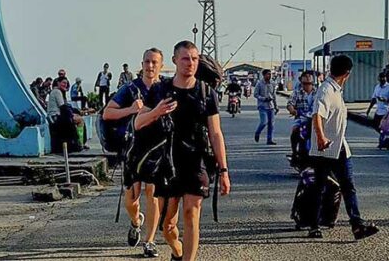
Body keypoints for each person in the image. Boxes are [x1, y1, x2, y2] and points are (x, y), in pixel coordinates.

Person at [135, 41, 231, 261]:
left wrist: (224, 170)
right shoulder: (161, 90)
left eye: (194, 59)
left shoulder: (206, 93)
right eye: (186, 58)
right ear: (175, 61)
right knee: (168, 225)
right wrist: (156, 112)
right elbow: (138, 123)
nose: (190, 63)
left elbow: (216, 133)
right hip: (168, 161)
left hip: (196, 161)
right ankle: (177, 252)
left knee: (192, 213)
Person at [306, 54, 379, 241]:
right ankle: (313, 226)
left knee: (348, 186)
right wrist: (321, 138)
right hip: (324, 149)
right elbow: (317, 115)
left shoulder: (335, 89)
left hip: (338, 147)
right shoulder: (326, 90)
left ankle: (357, 225)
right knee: (319, 187)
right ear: (347, 73)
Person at [103, 48, 164, 256]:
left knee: (152, 193)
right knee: (132, 198)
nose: (150, 66)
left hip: (157, 149)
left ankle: (150, 241)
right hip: (132, 148)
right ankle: (136, 221)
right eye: (147, 61)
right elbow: (107, 114)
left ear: (161, 65)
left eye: (154, 62)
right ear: (142, 64)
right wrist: (131, 109)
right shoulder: (130, 89)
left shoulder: (165, 88)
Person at [287, 71, 316, 166]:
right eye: (305, 83)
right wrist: (292, 110)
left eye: (309, 83)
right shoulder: (297, 92)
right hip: (301, 118)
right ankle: (294, 152)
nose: (307, 86)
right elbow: (290, 103)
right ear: (301, 83)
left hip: (316, 119)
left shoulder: (318, 93)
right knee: (295, 130)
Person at [48, 77, 85, 153]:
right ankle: (79, 143)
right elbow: (63, 107)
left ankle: (80, 143)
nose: (65, 85)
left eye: (66, 83)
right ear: (58, 83)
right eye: (63, 83)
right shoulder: (57, 92)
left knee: (78, 118)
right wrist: (72, 114)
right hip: (55, 116)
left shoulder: (57, 92)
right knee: (79, 120)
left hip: (57, 115)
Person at [367, 72, 389, 148]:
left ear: (386, 78)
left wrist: (385, 99)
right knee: (376, 126)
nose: (382, 79)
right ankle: (383, 138)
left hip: (386, 111)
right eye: (380, 77)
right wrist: (369, 109)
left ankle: (386, 141)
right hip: (378, 111)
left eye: (383, 77)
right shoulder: (377, 87)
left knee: (386, 127)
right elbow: (374, 98)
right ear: (378, 78)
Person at [253, 68, 278, 145]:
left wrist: (276, 106)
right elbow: (255, 94)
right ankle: (257, 133)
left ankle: (269, 139)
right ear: (264, 75)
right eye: (268, 74)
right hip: (262, 106)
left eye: (270, 74)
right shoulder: (259, 84)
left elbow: (274, 95)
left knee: (271, 124)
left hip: (271, 106)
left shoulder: (272, 83)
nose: (269, 76)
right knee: (264, 122)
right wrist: (263, 98)